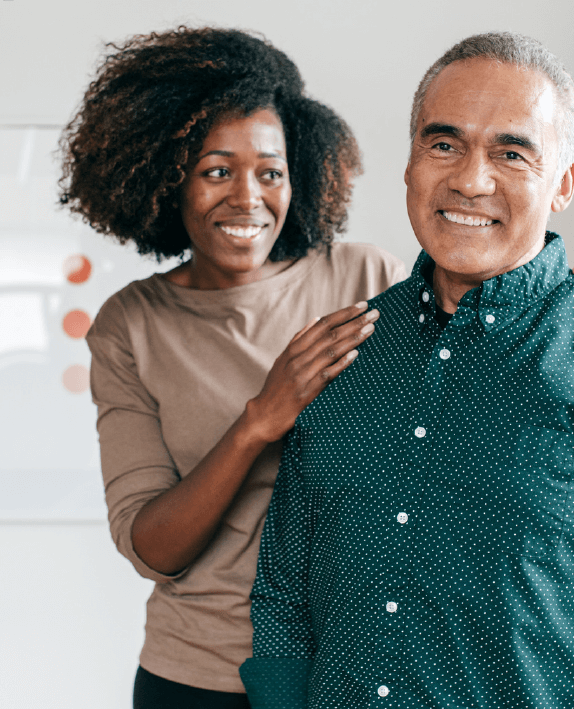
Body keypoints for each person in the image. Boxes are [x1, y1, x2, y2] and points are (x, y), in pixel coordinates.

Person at [58, 26, 406, 709]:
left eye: (270, 171)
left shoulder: (366, 279)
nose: (248, 197)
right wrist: (259, 420)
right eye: (217, 170)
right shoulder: (132, 325)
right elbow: (151, 546)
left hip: (349, 668)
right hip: (195, 677)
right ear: (168, 177)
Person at [241, 31, 574, 708]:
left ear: (563, 184)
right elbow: (282, 590)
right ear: (411, 162)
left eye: (512, 153)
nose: (470, 180)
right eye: (443, 144)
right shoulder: (341, 349)